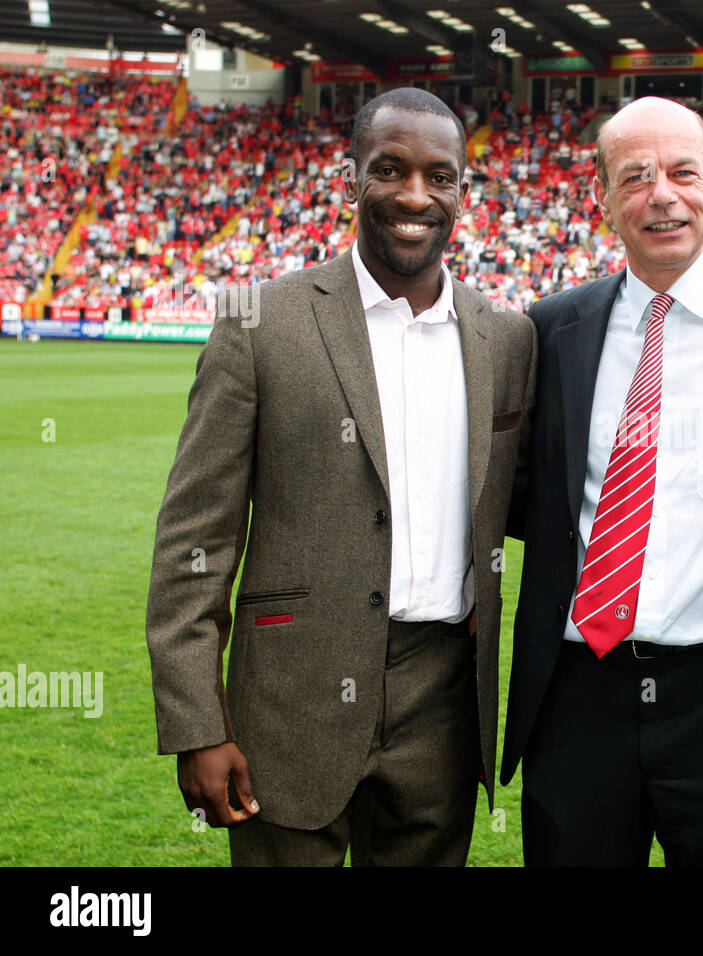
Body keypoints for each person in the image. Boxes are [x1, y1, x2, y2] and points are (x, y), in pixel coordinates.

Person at [146, 88, 536, 866]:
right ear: (352, 175)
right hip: (292, 698)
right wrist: (197, 723)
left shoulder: (507, 338)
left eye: (439, 175)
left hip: (443, 702)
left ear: (464, 189)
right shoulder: (259, 323)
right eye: (389, 169)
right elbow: (195, 537)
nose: (414, 196)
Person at [502, 96, 703, 866]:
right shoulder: (550, 328)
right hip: (577, 693)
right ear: (603, 197)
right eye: (637, 176)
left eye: (684, 172)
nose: (663, 195)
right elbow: (520, 493)